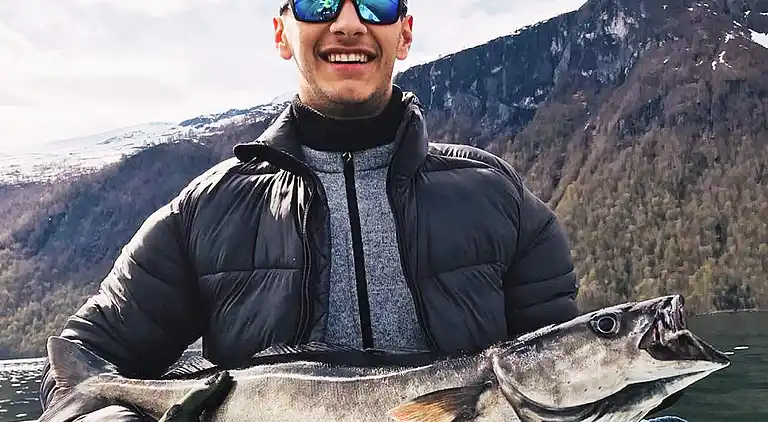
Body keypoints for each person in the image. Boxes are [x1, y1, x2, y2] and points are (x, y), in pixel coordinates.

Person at [37, 0, 683, 420]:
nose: (348, 23)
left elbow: (557, 366)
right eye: (320, 2)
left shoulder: (500, 197)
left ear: (403, 34)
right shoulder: (205, 208)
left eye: (376, 2)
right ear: (282, 33)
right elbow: (85, 357)